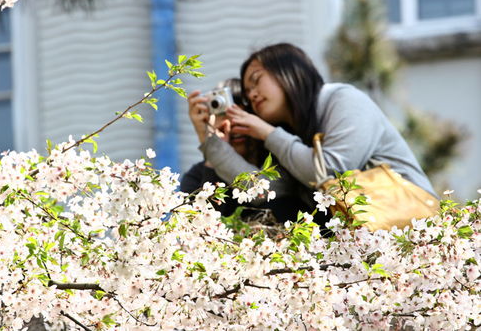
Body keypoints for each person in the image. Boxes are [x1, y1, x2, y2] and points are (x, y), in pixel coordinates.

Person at [220, 43, 437, 221]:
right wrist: (211, 139)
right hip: (357, 245)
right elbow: (269, 191)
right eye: (248, 93)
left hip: (413, 226)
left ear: (290, 71)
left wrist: (268, 134)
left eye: (256, 80)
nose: (253, 95)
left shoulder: (343, 99)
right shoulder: (285, 133)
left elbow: (333, 173)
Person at [181, 78, 306, 221]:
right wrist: (210, 147)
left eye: (240, 114)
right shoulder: (196, 177)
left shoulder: (279, 157)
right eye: (223, 115)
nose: (234, 124)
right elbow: (199, 228)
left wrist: (215, 150)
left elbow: (274, 192)